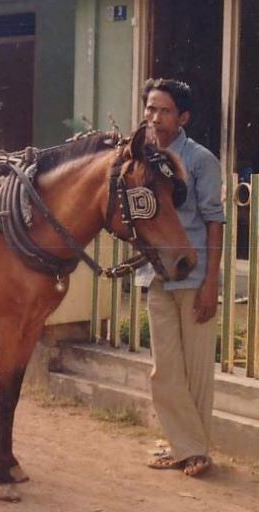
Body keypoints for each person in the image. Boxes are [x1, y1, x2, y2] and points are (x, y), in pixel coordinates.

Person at [136, 78, 225, 477]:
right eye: (150, 108)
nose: (154, 117)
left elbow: (214, 223)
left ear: (183, 117)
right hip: (154, 276)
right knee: (165, 369)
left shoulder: (201, 160)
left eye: (164, 110)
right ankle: (188, 448)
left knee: (196, 371)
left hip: (194, 279)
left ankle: (191, 450)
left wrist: (212, 283)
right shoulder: (139, 159)